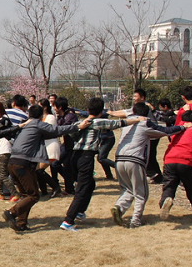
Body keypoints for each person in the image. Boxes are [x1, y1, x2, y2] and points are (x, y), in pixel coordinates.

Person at [59, 98, 140, 232]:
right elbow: (119, 123)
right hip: (86, 157)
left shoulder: (80, 122)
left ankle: (80, 212)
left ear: (88, 109)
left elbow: (71, 134)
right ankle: (68, 220)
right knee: (82, 189)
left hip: (75, 156)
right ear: (101, 111)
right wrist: (138, 120)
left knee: (90, 184)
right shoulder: (98, 122)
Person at [4, 106, 87, 232]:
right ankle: (11, 212)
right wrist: (78, 127)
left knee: (26, 196)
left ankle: (21, 224)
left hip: (12, 162)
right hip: (23, 164)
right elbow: (56, 130)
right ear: (42, 116)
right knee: (33, 196)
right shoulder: (37, 124)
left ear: (29, 114)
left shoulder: (25, 125)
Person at [111, 102, 186, 228]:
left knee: (128, 189)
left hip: (119, 159)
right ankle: (136, 220)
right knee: (141, 193)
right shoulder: (145, 122)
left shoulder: (127, 122)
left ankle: (119, 207)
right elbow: (165, 131)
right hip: (134, 160)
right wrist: (182, 127)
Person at [160, 110, 192, 224]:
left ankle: (165, 200)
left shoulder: (178, 128)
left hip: (169, 159)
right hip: (186, 160)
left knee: (169, 186)